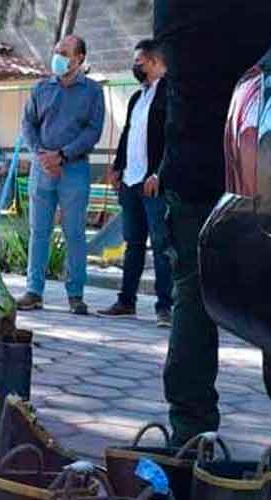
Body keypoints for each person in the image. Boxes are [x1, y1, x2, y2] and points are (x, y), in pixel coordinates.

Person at [153, 0, 271, 446]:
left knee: (192, 297)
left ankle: (190, 432)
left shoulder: (172, 12)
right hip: (256, 173)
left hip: (193, 172)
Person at [15, 35, 105, 315]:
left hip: (74, 169)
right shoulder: (41, 88)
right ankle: (34, 292)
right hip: (42, 168)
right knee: (38, 231)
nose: (58, 57)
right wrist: (41, 154)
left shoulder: (92, 92)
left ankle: (75, 294)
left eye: (65, 53)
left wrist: (63, 155)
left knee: (74, 233)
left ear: (79, 59)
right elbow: (28, 123)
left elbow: (93, 130)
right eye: (56, 51)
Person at [96, 39, 172, 327]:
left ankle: (165, 307)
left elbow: (172, 140)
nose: (135, 67)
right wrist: (117, 167)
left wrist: (160, 174)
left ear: (154, 62)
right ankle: (126, 301)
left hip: (154, 183)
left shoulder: (169, 94)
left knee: (163, 245)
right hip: (131, 181)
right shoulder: (136, 98)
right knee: (133, 243)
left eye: (139, 62)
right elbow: (128, 134)